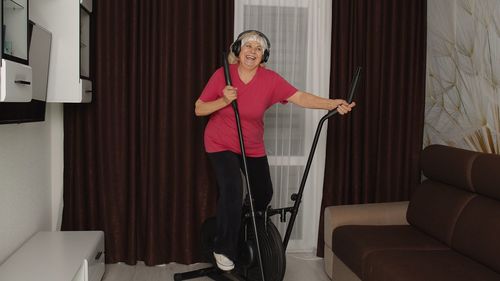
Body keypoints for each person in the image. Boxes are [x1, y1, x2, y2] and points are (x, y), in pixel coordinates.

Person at [195, 30, 355, 271]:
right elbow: (199, 109)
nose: (252, 51)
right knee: (232, 189)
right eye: (248, 46)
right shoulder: (223, 75)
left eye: (258, 49)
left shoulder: (270, 80)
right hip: (221, 143)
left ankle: (241, 224)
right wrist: (224, 101)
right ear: (238, 51)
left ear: (264, 56)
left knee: (263, 193)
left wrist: (332, 103)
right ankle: (223, 247)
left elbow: (299, 97)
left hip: (251, 145)